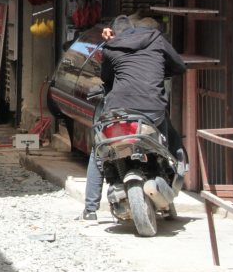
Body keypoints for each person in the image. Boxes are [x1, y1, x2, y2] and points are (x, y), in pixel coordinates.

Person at [79, 15, 187, 221]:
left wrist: (109, 44)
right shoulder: (156, 39)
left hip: (118, 109)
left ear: (114, 33)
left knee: (99, 151)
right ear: (133, 28)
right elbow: (179, 67)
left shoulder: (110, 48)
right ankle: (174, 175)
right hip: (152, 110)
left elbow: (106, 78)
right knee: (165, 145)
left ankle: (90, 210)